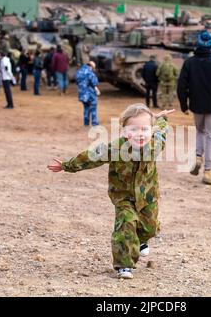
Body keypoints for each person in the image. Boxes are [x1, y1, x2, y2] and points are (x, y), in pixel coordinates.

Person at [47, 104, 174, 279]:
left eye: (145, 129)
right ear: (124, 130)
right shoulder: (115, 148)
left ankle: (142, 239)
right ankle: (124, 265)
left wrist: (161, 118)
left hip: (148, 196)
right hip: (123, 196)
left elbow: (161, 130)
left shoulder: (155, 143)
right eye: (134, 129)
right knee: (126, 224)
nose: (140, 134)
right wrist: (67, 166)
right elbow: (92, 156)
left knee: (150, 228)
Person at [177, 30, 211, 185]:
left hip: (196, 105)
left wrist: (184, 105)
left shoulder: (189, 63)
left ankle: (198, 157)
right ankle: (208, 171)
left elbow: (181, 86)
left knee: (199, 131)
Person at [75, 61, 100, 126]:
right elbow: (94, 82)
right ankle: (95, 123)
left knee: (86, 108)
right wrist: (96, 89)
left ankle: (86, 123)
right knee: (93, 108)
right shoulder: (89, 72)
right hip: (90, 93)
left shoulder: (79, 72)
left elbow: (77, 82)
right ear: (91, 66)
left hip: (82, 94)